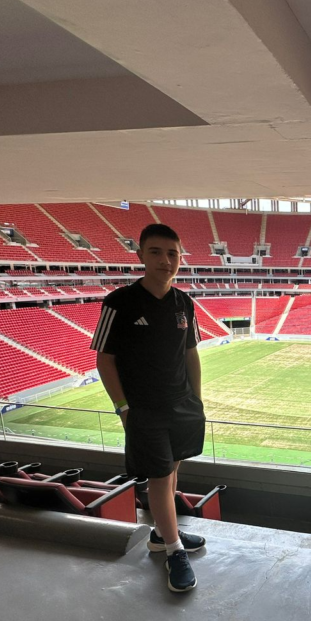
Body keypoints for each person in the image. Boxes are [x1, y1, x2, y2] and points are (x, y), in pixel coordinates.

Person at [91, 223, 207, 593]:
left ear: (180, 258)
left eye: (173, 253)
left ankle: (161, 534)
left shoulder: (184, 303)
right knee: (159, 477)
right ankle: (174, 550)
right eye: (156, 252)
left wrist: (196, 399)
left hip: (182, 405)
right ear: (140, 255)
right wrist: (124, 408)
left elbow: (191, 353)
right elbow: (104, 360)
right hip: (144, 409)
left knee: (172, 472)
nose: (165, 260)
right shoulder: (119, 303)